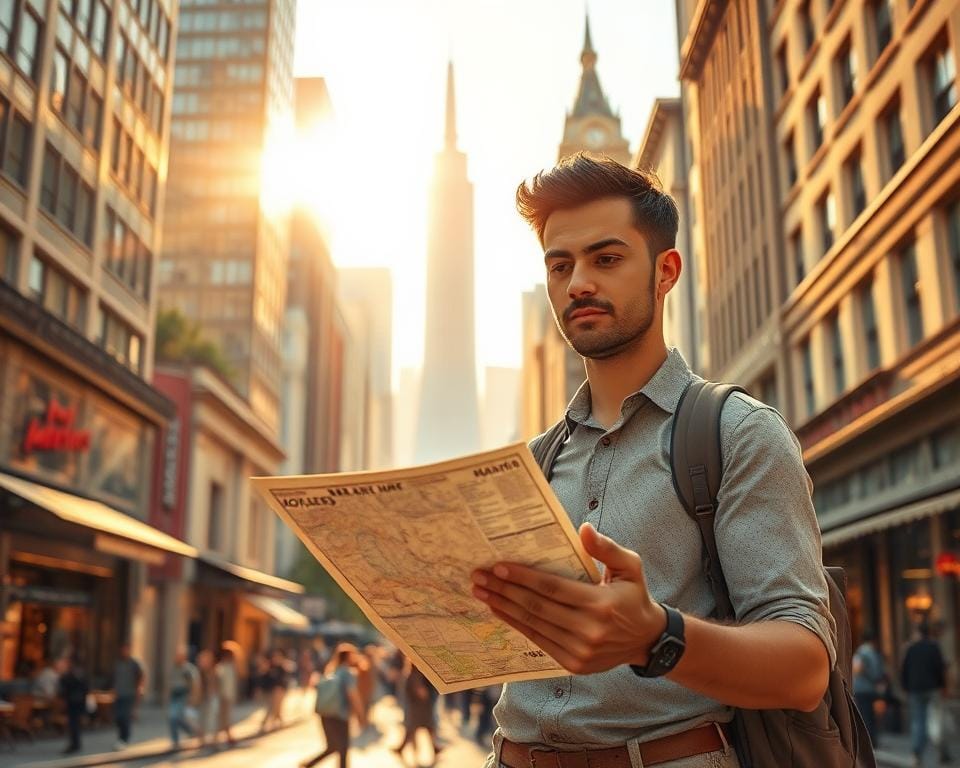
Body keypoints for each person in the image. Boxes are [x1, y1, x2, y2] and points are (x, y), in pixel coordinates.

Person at [470, 155, 836, 768]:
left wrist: (655, 635)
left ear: (665, 272)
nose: (578, 282)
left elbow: (805, 667)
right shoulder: (533, 461)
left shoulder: (738, 435)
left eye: (605, 259)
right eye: (561, 266)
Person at [299, 643, 365, 768]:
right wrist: (360, 714)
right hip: (340, 715)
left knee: (333, 746)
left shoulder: (331, 671)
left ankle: (309, 764)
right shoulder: (348, 673)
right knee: (343, 749)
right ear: (348, 657)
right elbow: (353, 695)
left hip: (325, 713)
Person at [901, 621, 947, 768]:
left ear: (917, 633)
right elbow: (940, 668)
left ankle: (916, 755)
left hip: (915, 690)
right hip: (933, 688)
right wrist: (942, 686)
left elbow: (905, 669)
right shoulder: (934, 647)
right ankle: (940, 751)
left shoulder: (910, 648)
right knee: (935, 720)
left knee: (917, 722)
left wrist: (905, 687)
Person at [393, 662, 442, 761]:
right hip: (417, 709)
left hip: (422, 708)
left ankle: (434, 747)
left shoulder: (419, 674)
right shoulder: (414, 675)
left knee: (426, 728)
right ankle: (404, 749)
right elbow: (417, 692)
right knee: (413, 730)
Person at [853, 630, 886, 748]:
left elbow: (857, 669)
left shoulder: (861, 652)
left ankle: (868, 742)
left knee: (865, 716)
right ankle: (873, 740)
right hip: (872, 689)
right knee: (872, 716)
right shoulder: (874, 653)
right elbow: (880, 671)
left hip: (862, 688)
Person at [112, 643, 144, 750]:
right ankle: (121, 737)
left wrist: (138, 692)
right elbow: (115, 678)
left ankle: (124, 739)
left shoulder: (134, 664)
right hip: (119, 694)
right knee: (118, 717)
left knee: (125, 717)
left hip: (129, 695)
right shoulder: (118, 663)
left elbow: (141, 678)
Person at [168, 647, 198, 748]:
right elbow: (169, 683)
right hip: (174, 695)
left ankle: (175, 741)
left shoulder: (187, 669)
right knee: (175, 718)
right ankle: (190, 730)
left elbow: (193, 683)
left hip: (183, 694)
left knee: (174, 717)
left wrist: (192, 697)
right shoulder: (173, 667)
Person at [59, 654, 89, 755]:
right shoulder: (80, 673)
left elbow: (66, 686)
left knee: (73, 723)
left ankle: (74, 744)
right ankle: (75, 743)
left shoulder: (72, 674)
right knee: (74, 723)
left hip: (74, 701)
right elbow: (86, 688)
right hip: (77, 700)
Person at [213, 646, 238, 749]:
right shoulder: (221, 667)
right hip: (222, 697)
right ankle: (219, 740)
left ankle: (228, 738)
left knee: (226, 719)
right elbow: (217, 683)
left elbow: (232, 684)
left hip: (229, 696)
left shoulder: (231, 667)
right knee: (222, 719)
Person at [194, 649, 217, 748]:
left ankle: (211, 740)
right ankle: (202, 740)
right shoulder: (197, 672)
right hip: (201, 699)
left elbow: (214, 686)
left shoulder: (213, 671)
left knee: (209, 720)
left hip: (209, 699)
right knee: (200, 720)